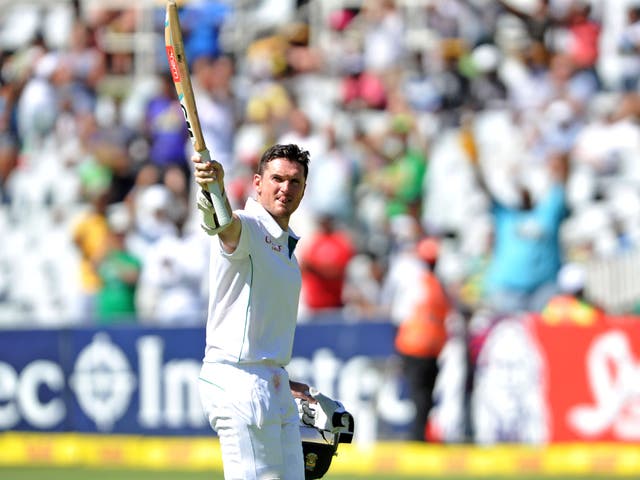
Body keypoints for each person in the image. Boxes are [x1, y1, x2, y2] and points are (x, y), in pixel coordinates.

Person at [193, 143, 315, 479]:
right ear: (258, 183)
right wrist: (215, 189)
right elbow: (223, 225)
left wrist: (276, 375)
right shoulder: (248, 227)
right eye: (277, 179)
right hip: (236, 380)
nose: (285, 188)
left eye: (294, 182)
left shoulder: (286, 245)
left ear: (304, 189)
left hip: (270, 381)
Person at [394, 236, 451, 442]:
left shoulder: (417, 283)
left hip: (415, 345)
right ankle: (419, 435)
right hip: (427, 347)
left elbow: (399, 314)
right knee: (424, 395)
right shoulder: (434, 285)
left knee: (420, 394)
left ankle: (419, 435)